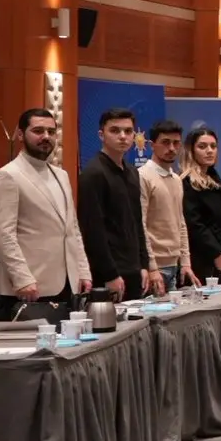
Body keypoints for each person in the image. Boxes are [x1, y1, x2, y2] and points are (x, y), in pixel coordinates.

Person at [0, 107, 91, 316]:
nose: (46, 137)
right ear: (20, 134)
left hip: (67, 284)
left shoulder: (61, 175)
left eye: (51, 132)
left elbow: (72, 229)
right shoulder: (7, 176)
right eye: (38, 131)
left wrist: (83, 270)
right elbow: (3, 235)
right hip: (28, 288)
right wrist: (22, 278)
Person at [79, 106, 156, 301]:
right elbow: (93, 230)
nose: (122, 136)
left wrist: (144, 264)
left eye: (128, 131)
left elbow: (137, 222)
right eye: (115, 130)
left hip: (134, 268)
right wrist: (110, 274)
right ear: (101, 135)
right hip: (109, 272)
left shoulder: (132, 172)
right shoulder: (93, 173)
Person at [180, 126, 221, 283]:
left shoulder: (219, 182)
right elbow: (194, 224)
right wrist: (215, 254)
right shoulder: (186, 182)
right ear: (191, 150)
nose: (209, 151)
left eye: (213, 146)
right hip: (201, 259)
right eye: (202, 146)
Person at [139, 118, 195, 290]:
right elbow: (140, 224)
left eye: (176, 143)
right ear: (151, 145)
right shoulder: (143, 176)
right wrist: (151, 266)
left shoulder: (177, 179)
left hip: (174, 264)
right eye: (165, 142)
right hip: (154, 267)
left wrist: (185, 262)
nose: (171, 148)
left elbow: (180, 222)